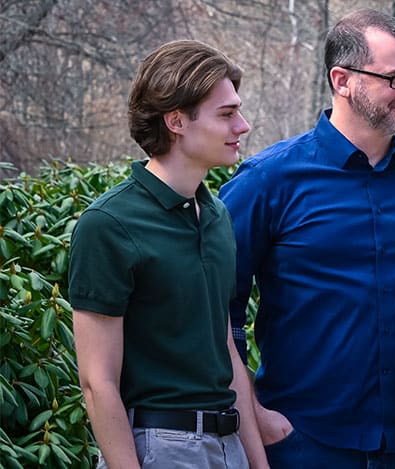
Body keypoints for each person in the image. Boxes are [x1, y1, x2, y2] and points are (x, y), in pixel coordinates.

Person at [218, 9, 395, 467]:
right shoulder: (267, 182)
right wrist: (253, 412)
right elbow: (214, 309)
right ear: (343, 79)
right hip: (303, 443)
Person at [69, 40, 267, 468]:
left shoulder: (217, 216)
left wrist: (256, 461)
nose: (244, 126)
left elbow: (224, 349)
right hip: (160, 449)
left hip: (228, 445)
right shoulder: (109, 224)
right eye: (227, 114)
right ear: (176, 121)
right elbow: (96, 382)